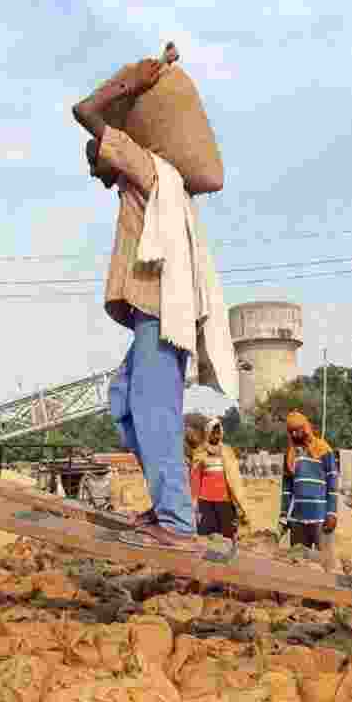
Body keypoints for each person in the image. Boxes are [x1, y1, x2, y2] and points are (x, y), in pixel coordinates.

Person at [72, 51, 237, 553]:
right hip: (154, 312)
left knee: (154, 407)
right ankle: (167, 507)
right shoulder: (155, 183)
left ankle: (176, 521)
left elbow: (84, 111)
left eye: (93, 157)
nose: (92, 165)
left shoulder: (145, 166)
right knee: (125, 401)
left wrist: (130, 82)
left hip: (162, 312)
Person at [280, 411, 338, 552]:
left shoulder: (324, 449)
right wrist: (283, 514)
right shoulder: (290, 454)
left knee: (325, 563)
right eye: (291, 431)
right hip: (296, 519)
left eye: (297, 430)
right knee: (298, 563)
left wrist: (332, 513)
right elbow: (286, 489)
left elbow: (332, 485)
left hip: (320, 519)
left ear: (306, 428)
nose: (294, 434)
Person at [188, 415, 249, 540]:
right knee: (206, 536)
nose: (216, 435)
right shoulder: (200, 452)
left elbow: (234, 479)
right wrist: (194, 501)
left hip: (225, 501)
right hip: (205, 501)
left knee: (228, 536)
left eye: (218, 432)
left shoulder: (227, 451)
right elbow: (195, 478)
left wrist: (239, 501)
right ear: (208, 433)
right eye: (213, 432)